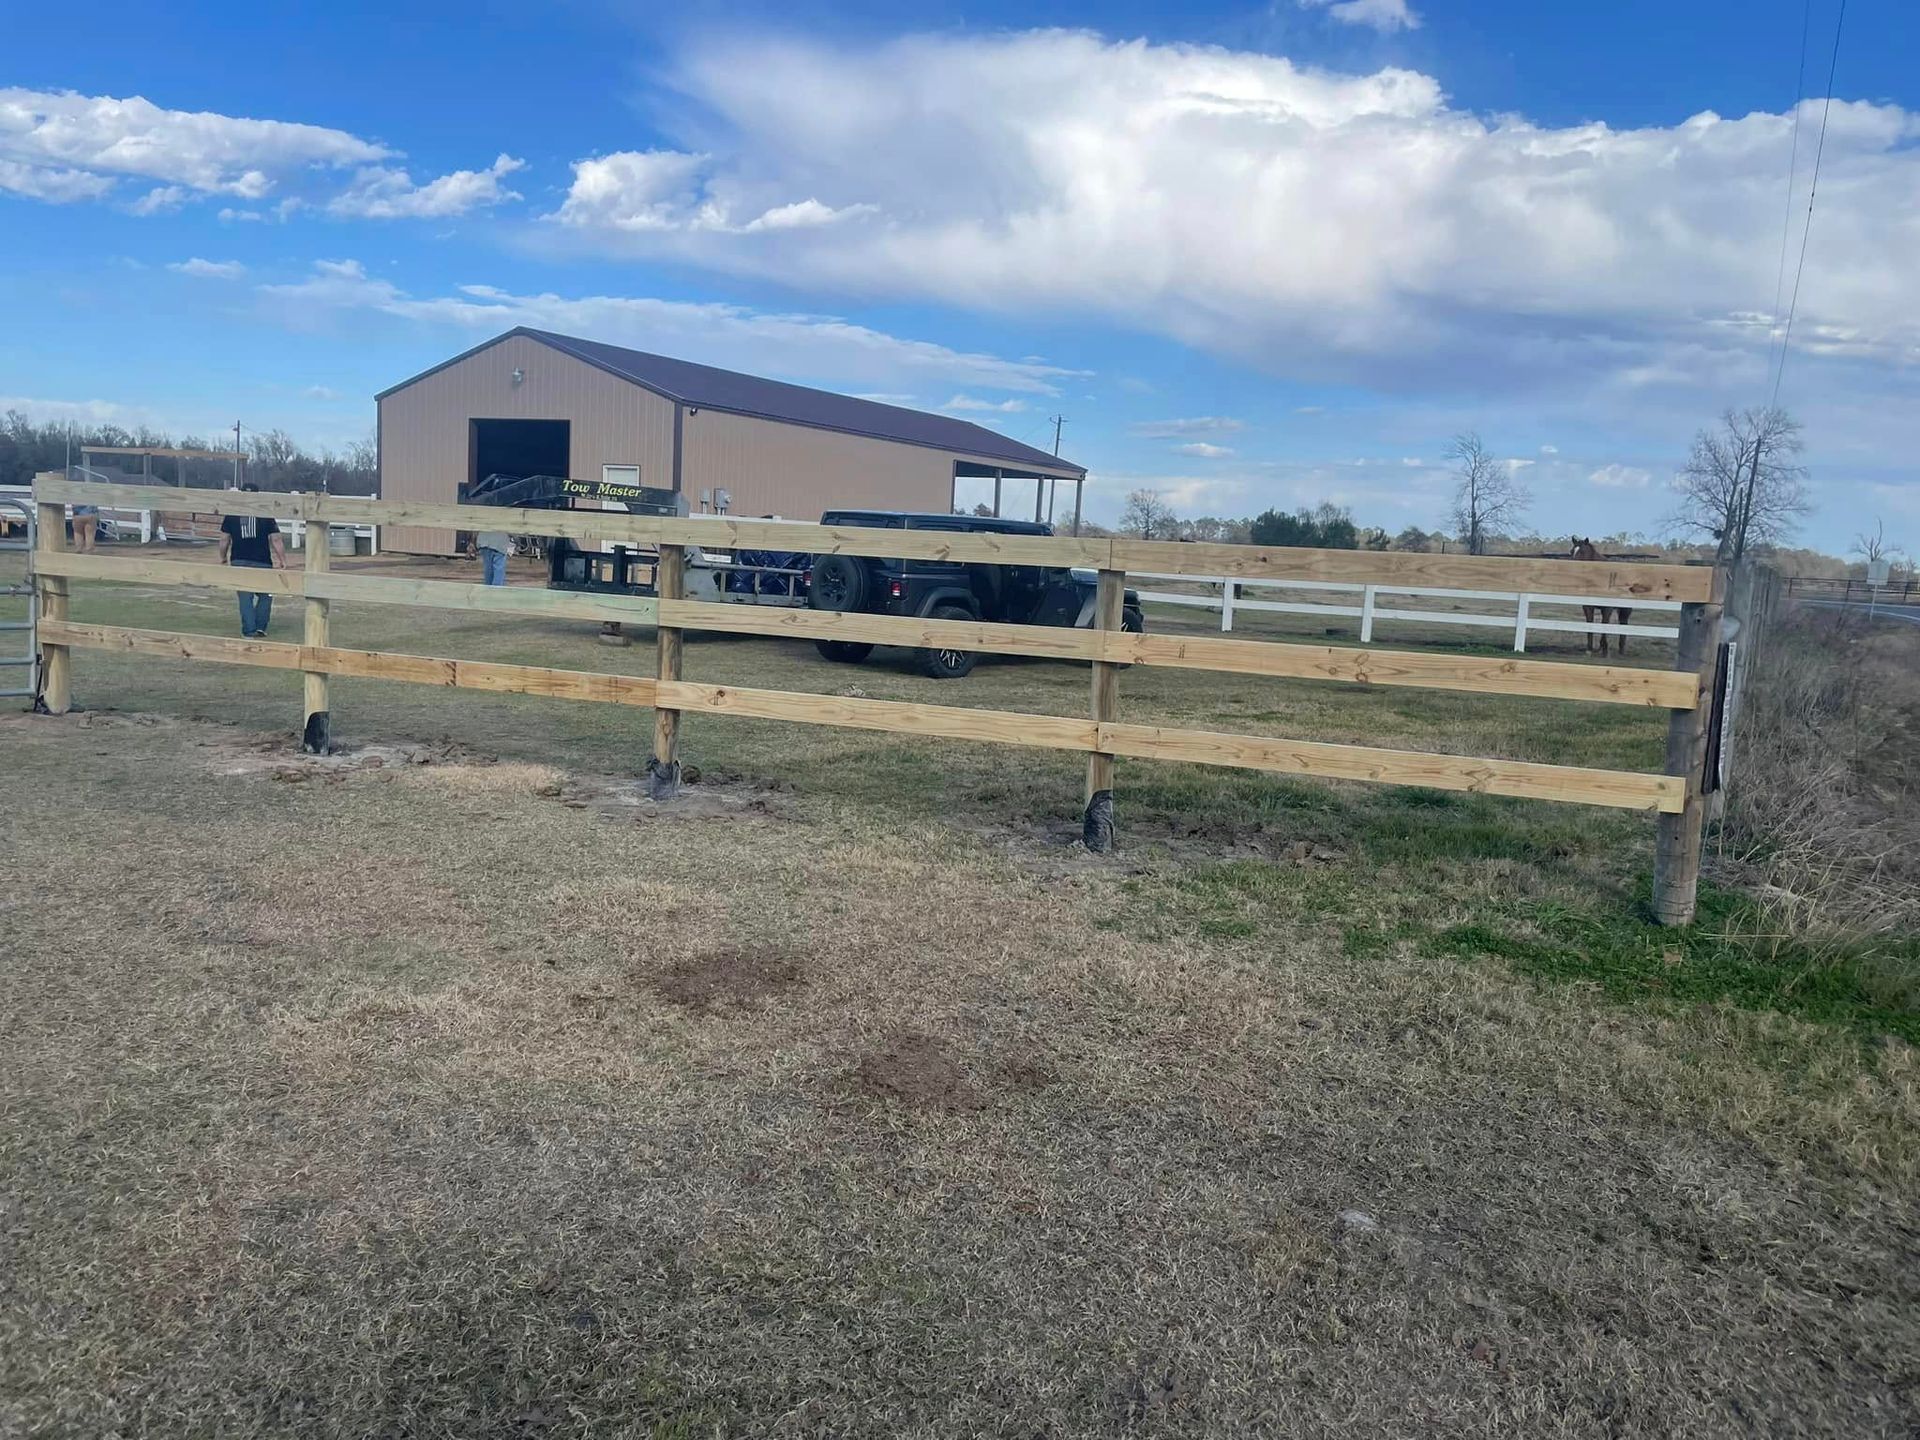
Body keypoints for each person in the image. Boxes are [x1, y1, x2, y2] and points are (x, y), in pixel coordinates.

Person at [218, 484, 286, 637]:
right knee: (265, 595)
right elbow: (276, 539)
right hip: (262, 560)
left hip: (239, 560)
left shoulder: (232, 514)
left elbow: (224, 539)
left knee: (245, 597)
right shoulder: (265, 514)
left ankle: (249, 630)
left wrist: (222, 557)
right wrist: (282, 559)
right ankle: (261, 626)